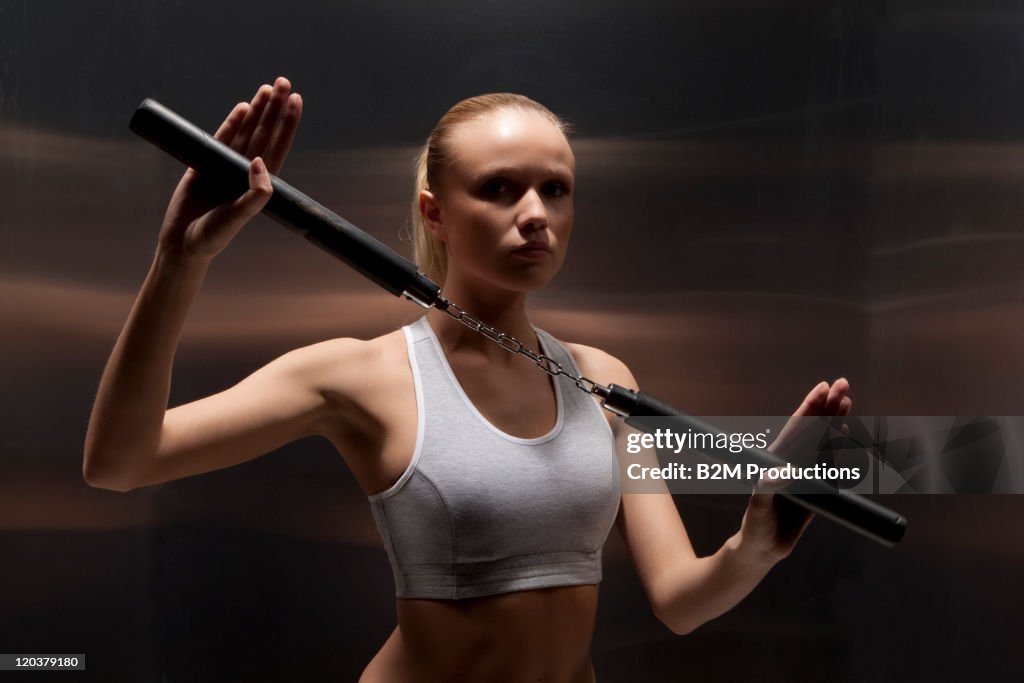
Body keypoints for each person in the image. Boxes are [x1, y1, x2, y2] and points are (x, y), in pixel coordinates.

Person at [83, 76, 852, 682]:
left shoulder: (603, 378)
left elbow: (680, 602)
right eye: (499, 188)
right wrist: (180, 261)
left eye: (556, 188)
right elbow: (121, 461)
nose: (535, 214)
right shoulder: (359, 374)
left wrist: (755, 546)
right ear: (436, 211)